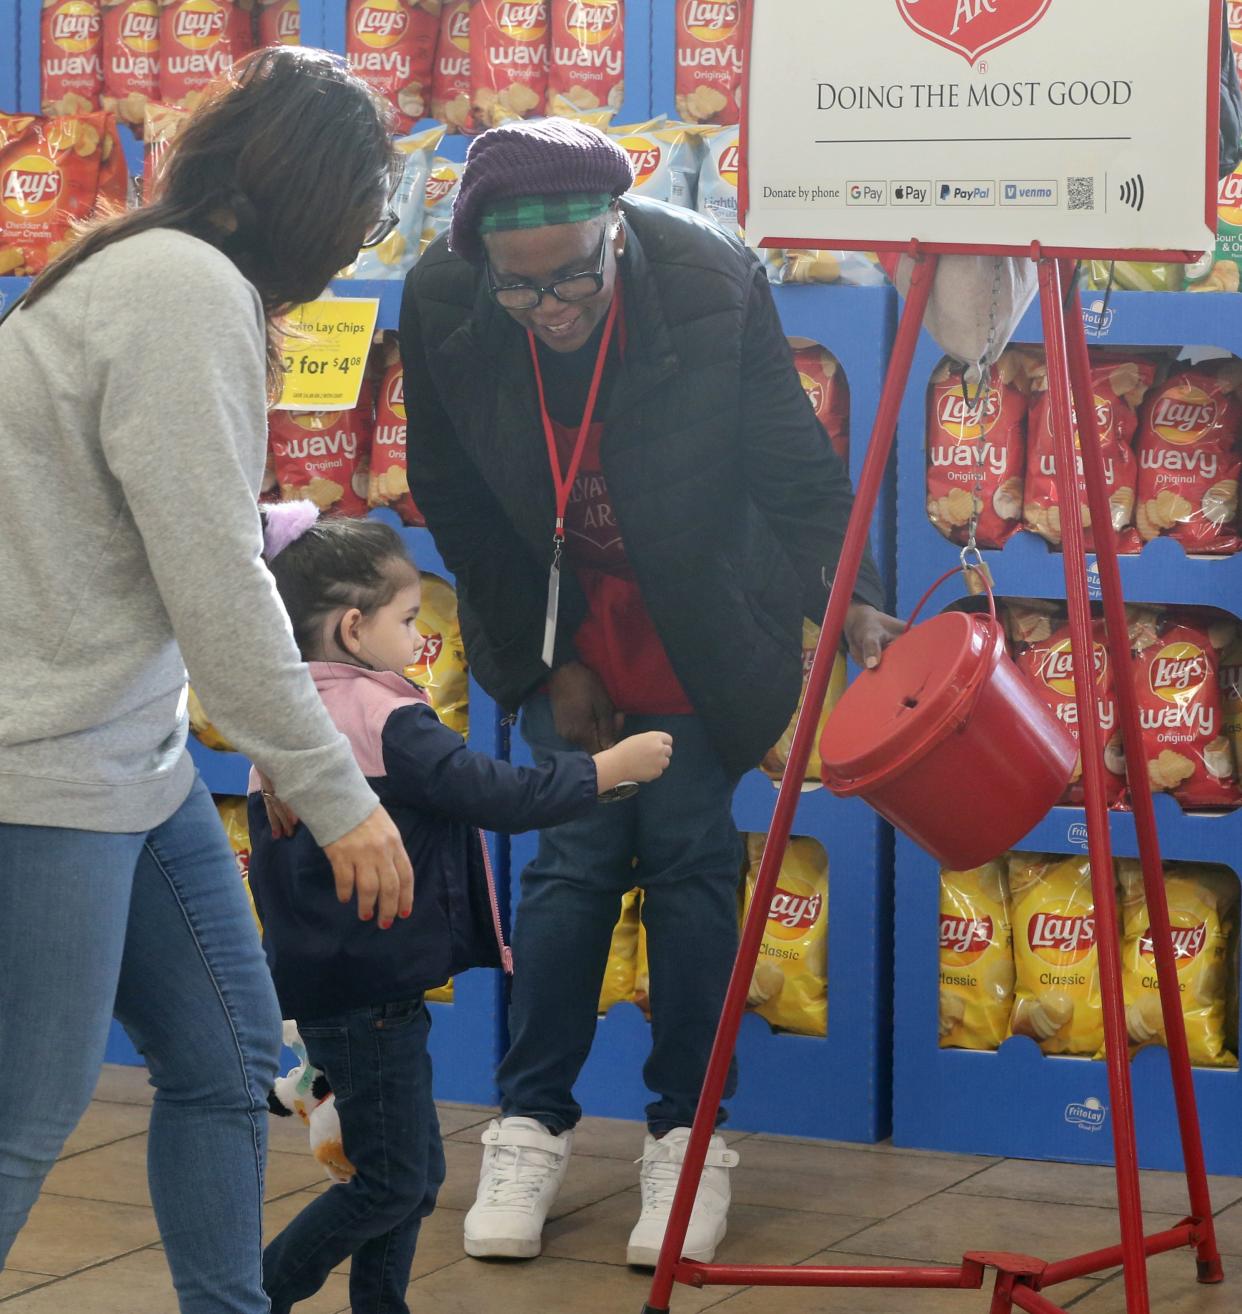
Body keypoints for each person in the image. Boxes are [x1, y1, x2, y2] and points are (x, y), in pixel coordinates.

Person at [398, 117, 902, 1267]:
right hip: (553, 614)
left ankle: (688, 1138)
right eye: (521, 291)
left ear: (617, 227)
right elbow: (449, 487)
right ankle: (528, 1125)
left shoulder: (711, 274)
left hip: (704, 610)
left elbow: (791, 465)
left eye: (574, 274)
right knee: (571, 865)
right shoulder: (444, 297)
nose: (551, 306)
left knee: (685, 861)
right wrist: (540, 665)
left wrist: (851, 596)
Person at [0, 49, 414, 1314]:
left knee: (231, 1058)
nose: (360, 241)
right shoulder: (183, 291)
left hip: (132, 747)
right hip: (49, 758)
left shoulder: (143, 264)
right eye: (365, 211)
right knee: (27, 1111)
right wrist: (336, 790)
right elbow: (216, 582)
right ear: (309, 195)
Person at [248, 506, 672, 1314]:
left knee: (413, 1175)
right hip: (366, 993)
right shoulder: (387, 720)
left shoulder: (288, 710)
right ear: (351, 628)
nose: (420, 639)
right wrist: (606, 769)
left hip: (338, 982)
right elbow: (492, 792)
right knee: (391, 1182)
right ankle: (256, 1296)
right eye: (408, 621)